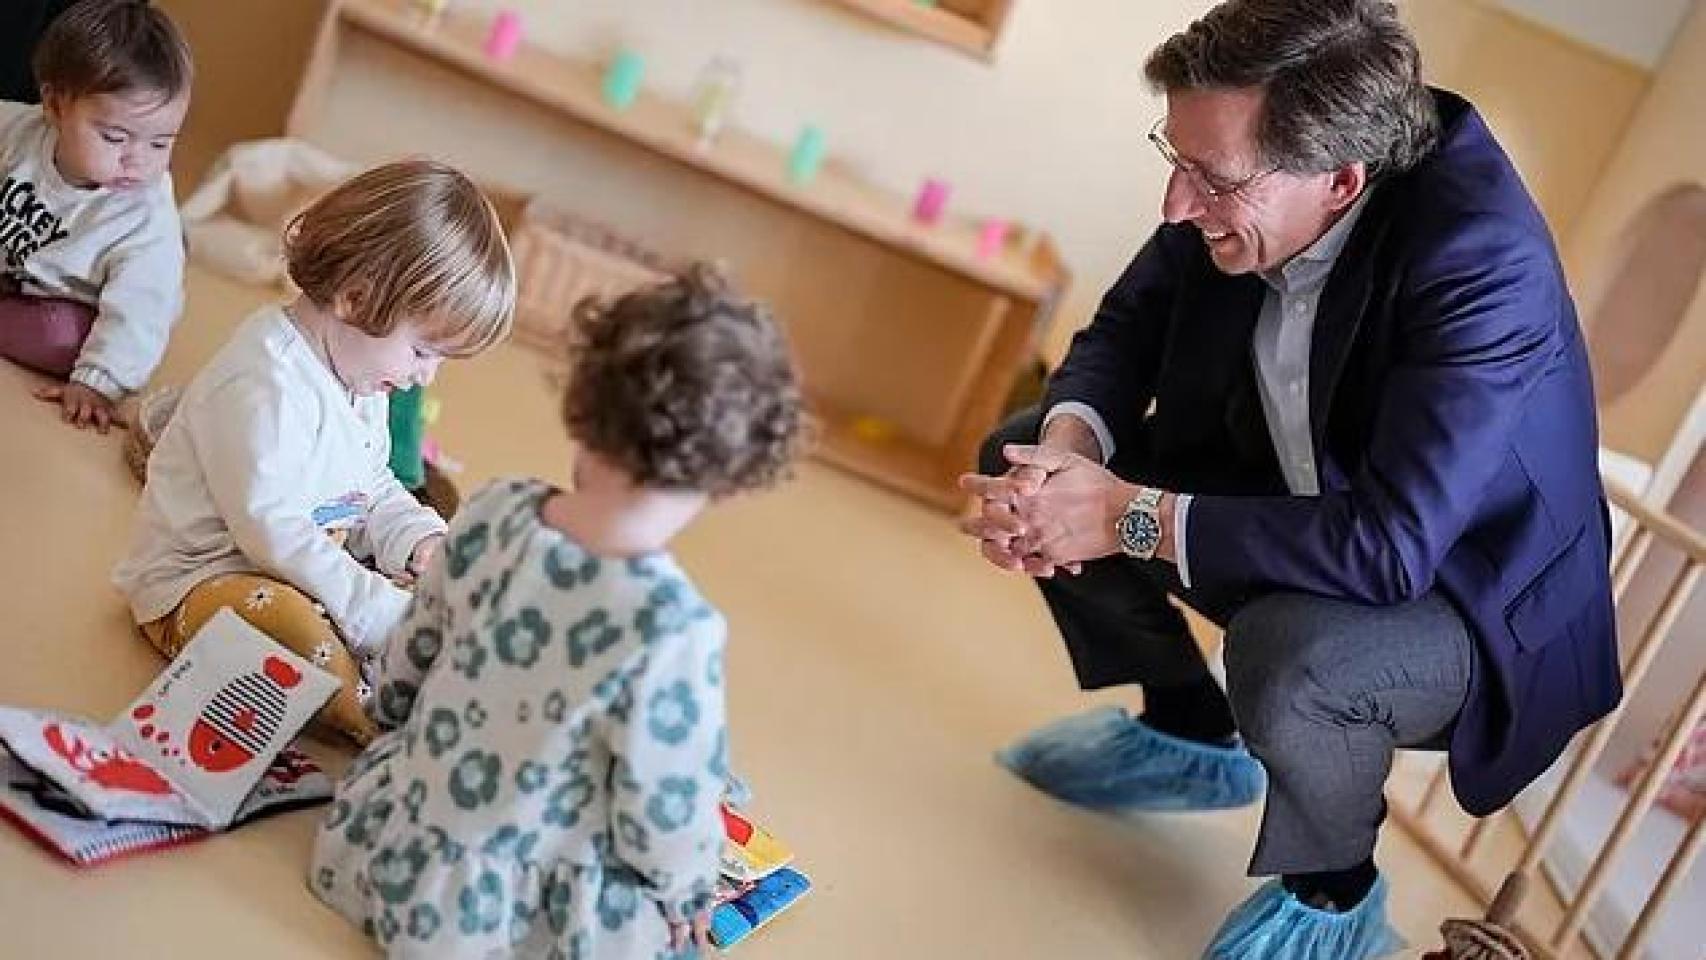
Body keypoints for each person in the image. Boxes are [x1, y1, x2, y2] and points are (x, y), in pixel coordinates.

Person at [960, 1, 1618, 955]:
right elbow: (1126, 331)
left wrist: (1123, 516)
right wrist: (1065, 464)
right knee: (1020, 450)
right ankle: (1190, 730)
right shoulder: (1248, 172)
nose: (1175, 206)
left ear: (1341, 180)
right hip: (1303, 507)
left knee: (1287, 652)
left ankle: (1335, 895)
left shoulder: (1483, 262)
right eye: (1174, 157)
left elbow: (1390, 548)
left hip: (1467, 600)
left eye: (1210, 179)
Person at [308, 265, 805, 958]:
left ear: (581, 405)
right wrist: (686, 887)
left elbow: (410, 657)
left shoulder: (495, 508)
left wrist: (390, 726)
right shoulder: (673, 628)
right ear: (729, 483)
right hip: (501, 909)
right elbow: (663, 802)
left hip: (390, 844)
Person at [113, 159, 515, 746]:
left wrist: (418, 540)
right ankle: (375, 724)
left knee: (416, 608)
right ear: (355, 299)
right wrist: (372, 605)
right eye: (422, 351)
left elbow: (373, 486)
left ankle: (400, 679)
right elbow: (272, 534)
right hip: (198, 585)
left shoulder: (360, 380)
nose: (425, 377)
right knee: (296, 625)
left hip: (298, 574)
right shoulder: (262, 383)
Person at [0, 0, 191, 431]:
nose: (137, 159)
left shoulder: (145, 217)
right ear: (54, 106)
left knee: (63, 337)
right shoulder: (21, 132)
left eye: (161, 143)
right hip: (16, 271)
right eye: (115, 137)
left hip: (72, 305)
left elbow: (144, 309)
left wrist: (99, 382)